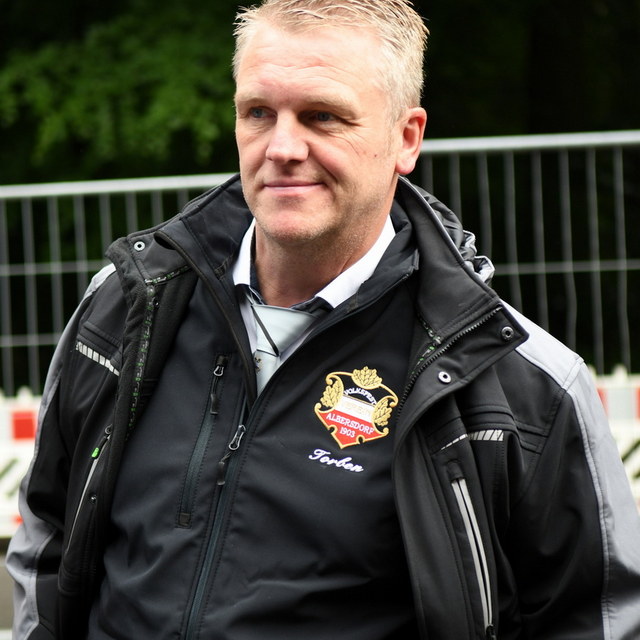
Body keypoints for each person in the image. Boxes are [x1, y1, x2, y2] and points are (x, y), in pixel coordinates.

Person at [8, 0, 640, 638]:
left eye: (323, 116)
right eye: (258, 113)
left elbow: (594, 619)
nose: (282, 148)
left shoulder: (518, 382)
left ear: (406, 138)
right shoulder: (128, 307)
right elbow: (48, 534)